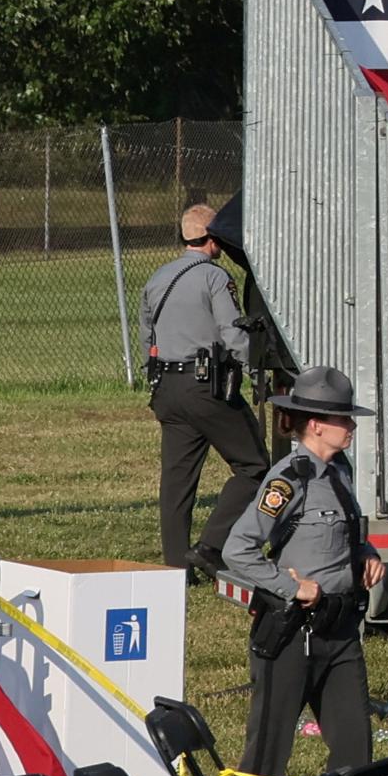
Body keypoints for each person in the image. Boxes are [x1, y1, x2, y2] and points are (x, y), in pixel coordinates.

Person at [223, 365, 382, 776]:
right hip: (294, 633)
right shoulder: (290, 480)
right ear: (315, 425)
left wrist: (366, 553)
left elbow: (341, 532)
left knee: (355, 749)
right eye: (343, 420)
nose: (350, 427)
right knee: (268, 752)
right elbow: (237, 549)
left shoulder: (341, 472)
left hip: (341, 631)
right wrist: (291, 587)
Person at [138, 204, 269, 579]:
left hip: (166, 387)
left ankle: (176, 567)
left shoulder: (158, 277)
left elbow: (147, 337)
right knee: (254, 466)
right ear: (213, 239)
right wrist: (255, 365)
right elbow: (231, 333)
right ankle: (210, 547)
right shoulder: (214, 277)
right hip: (206, 386)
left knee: (177, 482)